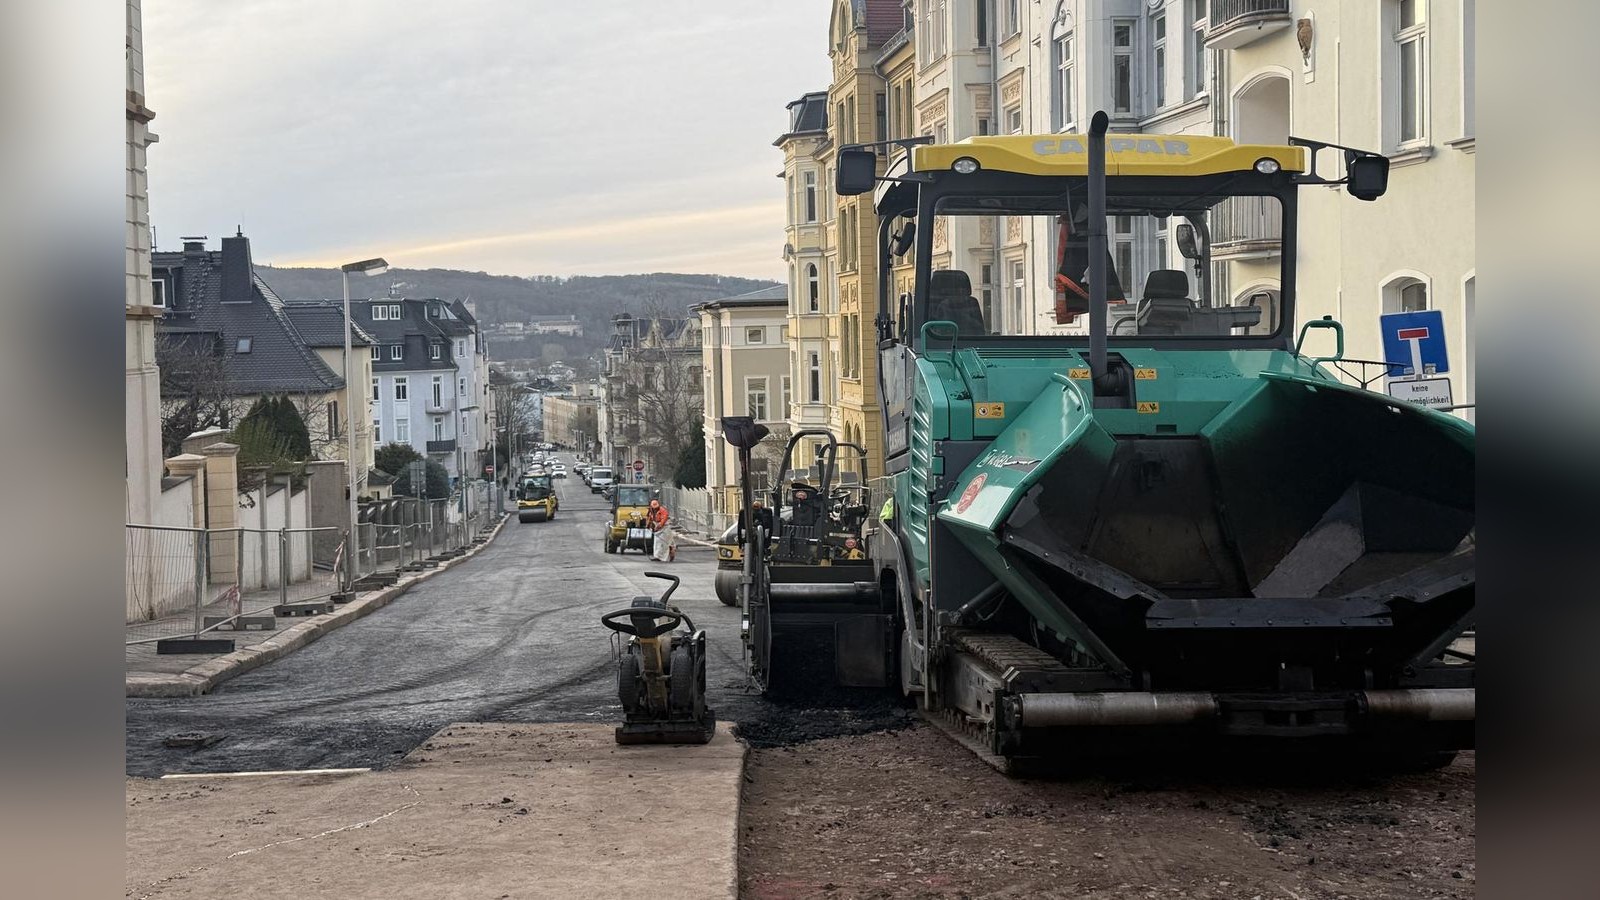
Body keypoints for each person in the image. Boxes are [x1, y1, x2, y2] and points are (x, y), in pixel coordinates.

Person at [647, 498, 672, 562]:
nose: (655, 508)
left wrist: (659, 526)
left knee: (663, 543)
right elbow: (650, 519)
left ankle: (663, 557)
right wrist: (648, 525)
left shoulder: (663, 511)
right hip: (657, 529)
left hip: (665, 528)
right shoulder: (651, 511)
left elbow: (664, 519)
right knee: (656, 543)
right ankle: (657, 556)